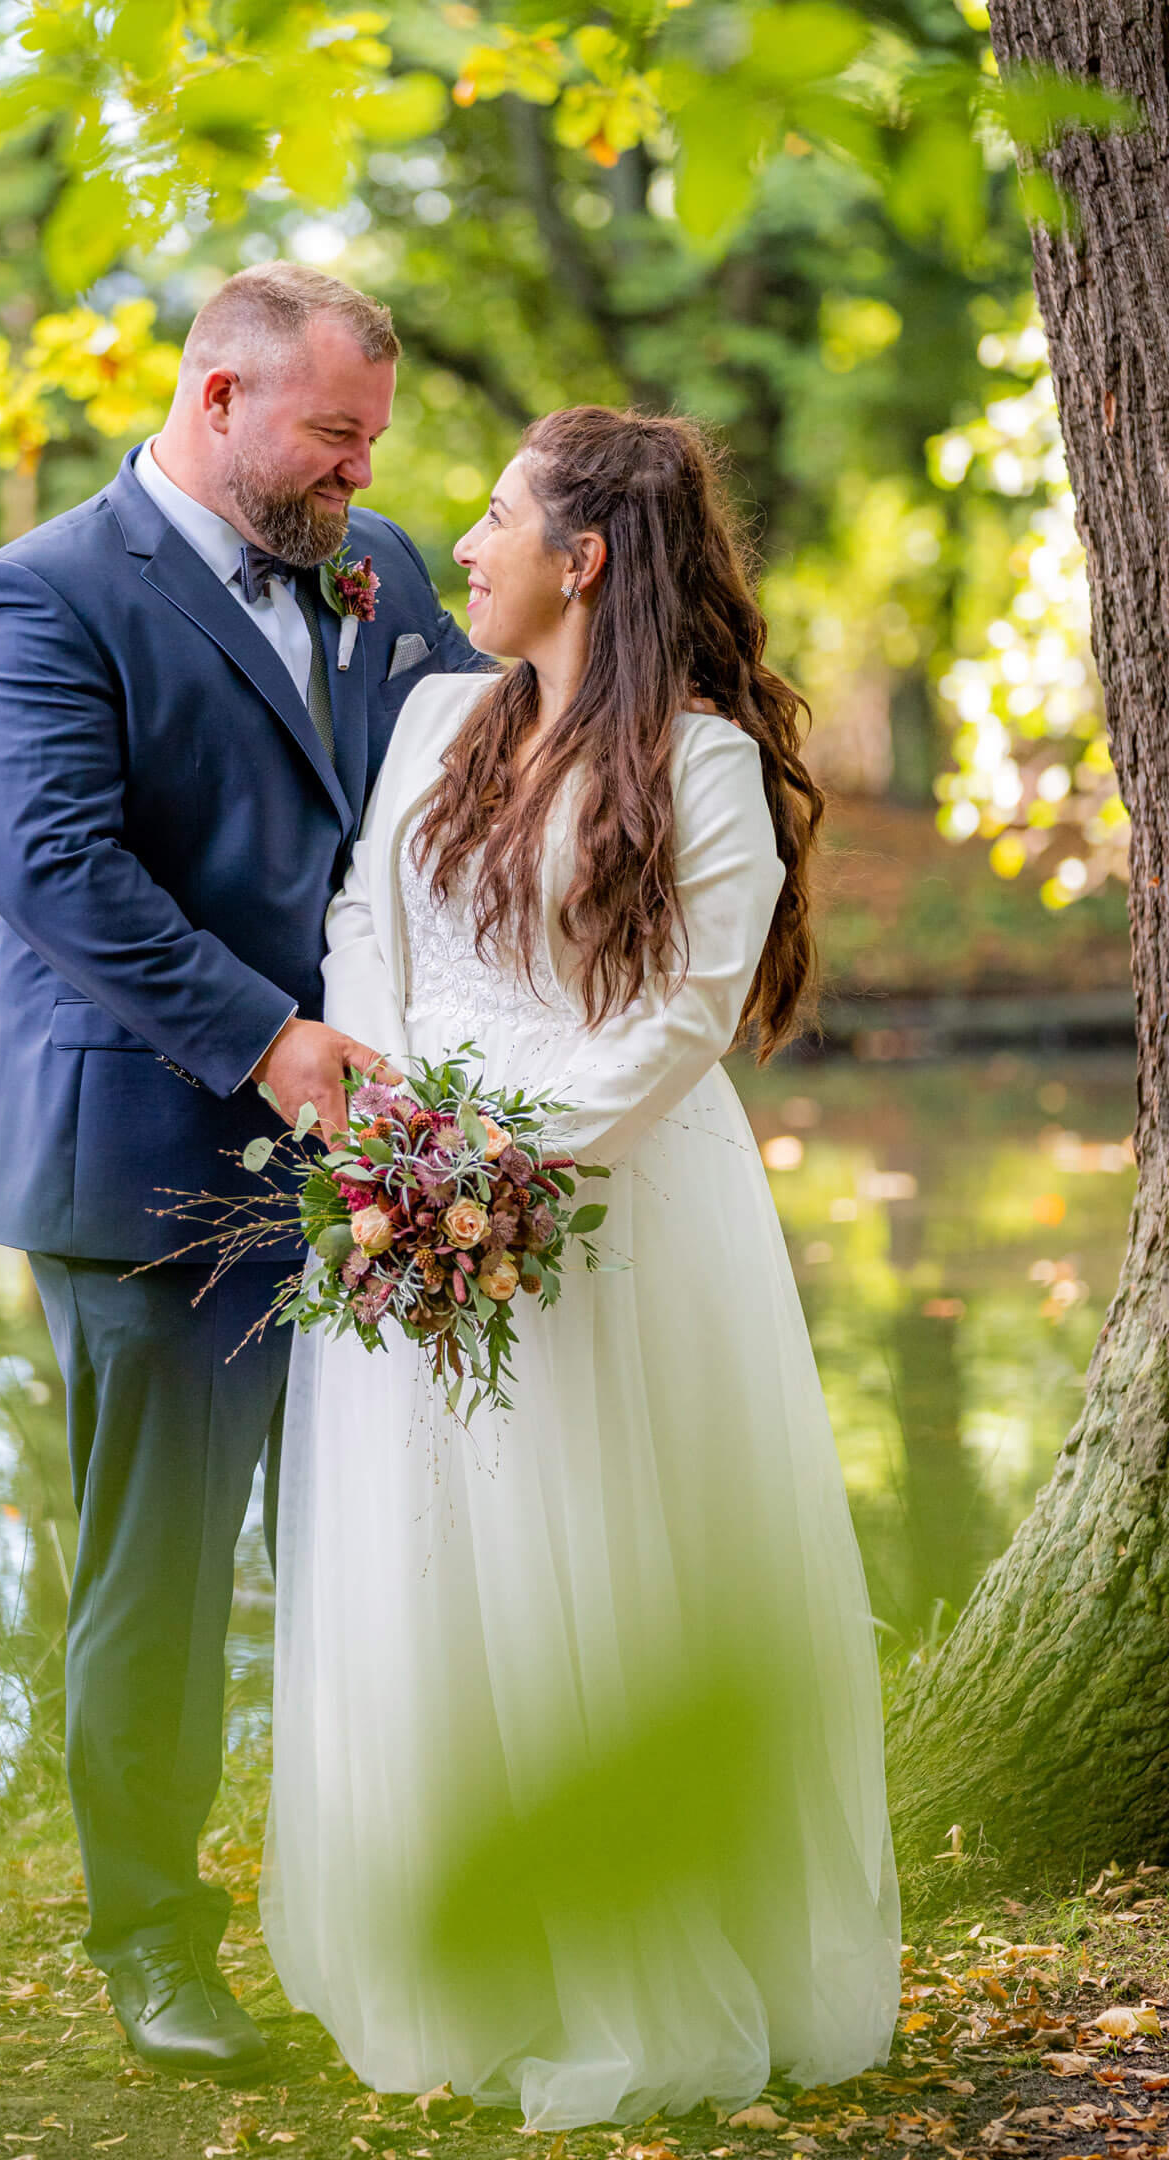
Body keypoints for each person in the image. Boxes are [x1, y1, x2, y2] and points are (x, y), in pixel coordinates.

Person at [260, 405, 901, 2130]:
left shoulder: (697, 763)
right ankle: (469, 1965)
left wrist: (505, 1160)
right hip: (415, 1203)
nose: (455, 547)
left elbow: (693, 1013)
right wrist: (401, 1142)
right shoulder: (434, 719)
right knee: (433, 1575)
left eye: (491, 517)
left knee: (611, 1571)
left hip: (609, 1219)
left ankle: (643, 1966)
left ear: (583, 557)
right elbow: (360, 929)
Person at [0, 263, 486, 2080]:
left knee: (385, 1548)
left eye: (374, 444)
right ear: (221, 397)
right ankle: (154, 1944)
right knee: (161, 1580)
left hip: (389, 1165)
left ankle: (392, 1907)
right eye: (334, 436)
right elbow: (64, 878)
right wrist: (269, 1042)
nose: (359, 477)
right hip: (154, 1157)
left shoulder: (385, 567)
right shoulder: (38, 598)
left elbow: (499, 753)